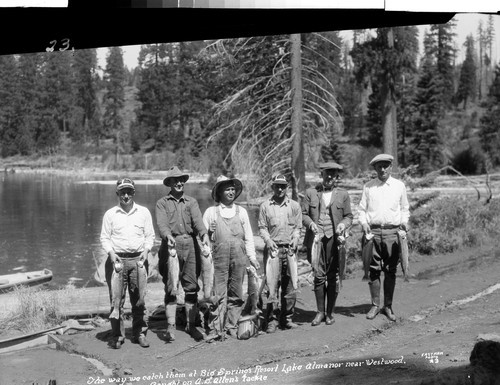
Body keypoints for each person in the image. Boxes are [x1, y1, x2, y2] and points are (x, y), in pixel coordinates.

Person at [155, 166, 210, 342]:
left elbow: (198, 221)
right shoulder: (162, 203)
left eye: (181, 180)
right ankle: (170, 326)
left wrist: (204, 234)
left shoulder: (191, 202)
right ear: (169, 183)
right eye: (175, 180)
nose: (179, 183)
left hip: (191, 244)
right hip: (170, 245)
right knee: (171, 286)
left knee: (192, 286)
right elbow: (162, 225)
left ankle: (190, 325)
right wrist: (167, 236)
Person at [202, 175, 260, 339]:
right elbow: (203, 241)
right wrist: (209, 232)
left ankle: (231, 325)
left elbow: (248, 236)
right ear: (219, 192)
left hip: (239, 257)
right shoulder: (211, 212)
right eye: (227, 189)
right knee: (218, 294)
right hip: (218, 259)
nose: (231, 192)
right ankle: (215, 329)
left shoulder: (241, 212)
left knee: (236, 293)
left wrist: (252, 257)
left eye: (233, 189)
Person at [100, 177, 155, 349]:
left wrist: (146, 251)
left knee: (139, 299)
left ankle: (140, 333)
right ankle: (118, 336)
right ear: (117, 193)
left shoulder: (144, 212)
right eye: (122, 192)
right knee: (116, 300)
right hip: (117, 261)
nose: (126, 195)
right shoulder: (110, 214)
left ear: (134, 192)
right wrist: (111, 253)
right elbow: (104, 238)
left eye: (129, 192)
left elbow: (150, 236)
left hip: (139, 260)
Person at [358, 154, 410, 322]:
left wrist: (404, 222)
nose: (382, 169)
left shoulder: (399, 186)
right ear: (375, 169)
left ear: (391, 167)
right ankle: (374, 305)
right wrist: (364, 224)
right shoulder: (368, 187)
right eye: (379, 166)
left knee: (390, 270)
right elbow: (361, 210)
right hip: (372, 233)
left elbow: (404, 208)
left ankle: (388, 305)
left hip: (392, 233)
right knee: (373, 270)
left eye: (385, 166)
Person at [301, 162, 353, 326]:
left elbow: (349, 216)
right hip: (316, 240)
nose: (329, 177)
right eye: (327, 173)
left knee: (332, 276)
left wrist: (343, 225)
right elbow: (303, 215)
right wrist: (310, 224)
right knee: (318, 275)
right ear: (321, 175)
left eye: (333, 174)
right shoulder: (311, 193)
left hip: (334, 239)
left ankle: (329, 313)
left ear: (336, 176)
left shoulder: (343, 195)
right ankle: (319, 312)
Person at [258, 174, 302, 333]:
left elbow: (298, 227)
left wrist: (296, 239)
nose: (280, 189)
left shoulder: (295, 206)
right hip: (273, 251)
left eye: (283, 186)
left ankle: (287, 318)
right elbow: (262, 227)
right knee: (272, 286)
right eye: (277, 186)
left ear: (287, 188)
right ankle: (272, 320)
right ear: (272, 187)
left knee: (290, 286)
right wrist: (268, 240)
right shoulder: (265, 206)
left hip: (290, 251)